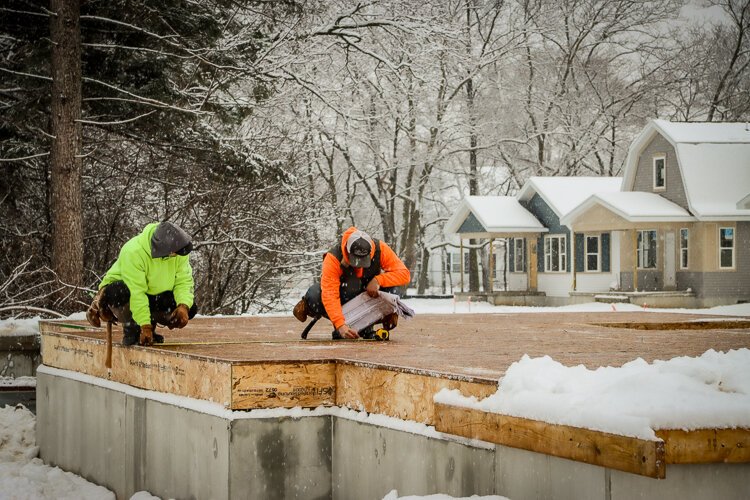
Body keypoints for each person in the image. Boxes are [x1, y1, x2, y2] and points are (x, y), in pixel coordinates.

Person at [86, 221, 197, 346]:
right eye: (174, 253)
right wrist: (145, 326)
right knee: (121, 292)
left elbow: (183, 281)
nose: (176, 256)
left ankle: (149, 325)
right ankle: (131, 328)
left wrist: (183, 306)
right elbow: (137, 292)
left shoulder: (178, 250)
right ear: (165, 249)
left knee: (191, 308)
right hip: (119, 295)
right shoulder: (133, 251)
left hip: (152, 293)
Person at [293, 226, 410, 339]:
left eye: (363, 261)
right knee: (315, 295)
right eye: (355, 261)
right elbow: (330, 293)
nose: (359, 265)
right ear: (347, 251)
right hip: (344, 296)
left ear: (370, 253)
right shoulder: (333, 258)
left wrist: (378, 280)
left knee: (393, 288)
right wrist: (340, 325)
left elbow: (404, 274)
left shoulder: (380, 249)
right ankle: (311, 307)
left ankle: (370, 321)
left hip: (369, 295)